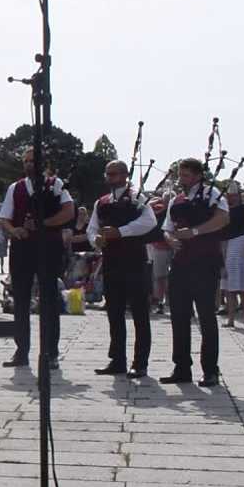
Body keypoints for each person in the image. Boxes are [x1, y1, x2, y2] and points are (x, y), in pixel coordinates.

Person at [0, 148, 75, 369]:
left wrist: (44, 223)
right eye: (26, 161)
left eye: (33, 161)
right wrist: (15, 231)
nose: (29, 164)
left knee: (49, 299)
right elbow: (4, 218)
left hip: (47, 247)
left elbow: (69, 211)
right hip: (22, 249)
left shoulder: (55, 185)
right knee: (20, 300)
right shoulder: (16, 188)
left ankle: (51, 353)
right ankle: (21, 351)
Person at [160, 158, 229, 387]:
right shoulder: (177, 199)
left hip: (205, 262)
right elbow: (167, 229)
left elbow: (223, 219)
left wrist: (196, 231)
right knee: (178, 316)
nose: (182, 179)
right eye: (181, 174)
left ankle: (210, 370)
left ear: (199, 175)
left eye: (187, 175)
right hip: (180, 264)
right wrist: (171, 240)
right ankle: (181, 367)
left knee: (206, 316)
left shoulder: (212, 193)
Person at [87, 161, 158, 379]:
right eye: (108, 174)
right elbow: (92, 229)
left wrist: (121, 232)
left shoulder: (138, 198)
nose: (111, 177)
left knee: (139, 313)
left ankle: (140, 362)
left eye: (115, 174)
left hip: (135, 261)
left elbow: (149, 222)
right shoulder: (102, 202)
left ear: (126, 175)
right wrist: (96, 240)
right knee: (114, 312)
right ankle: (117, 360)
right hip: (111, 262)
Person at [221, 184, 244, 328]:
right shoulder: (224, 212)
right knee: (231, 288)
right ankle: (230, 319)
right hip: (230, 250)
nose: (232, 198)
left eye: (234, 195)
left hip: (243, 249)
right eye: (230, 196)